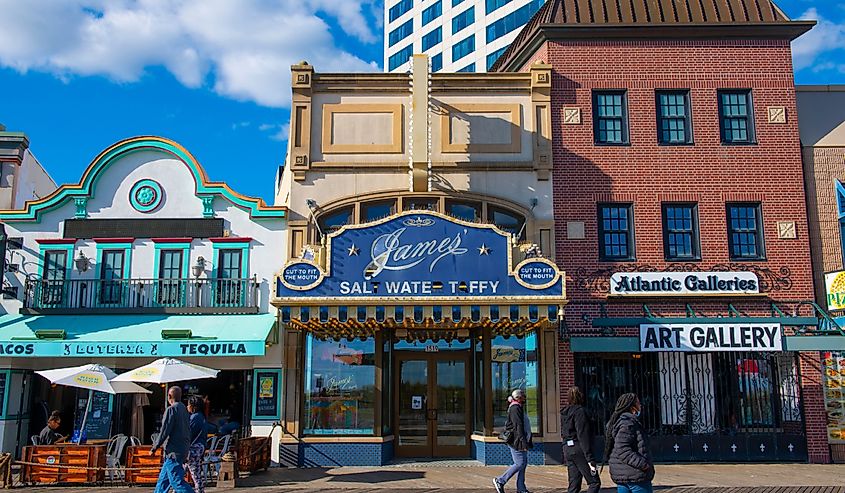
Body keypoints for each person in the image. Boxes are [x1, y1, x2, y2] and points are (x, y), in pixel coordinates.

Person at [604, 393, 654, 493]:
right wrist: (643, 464)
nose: (641, 406)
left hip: (624, 475)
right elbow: (623, 449)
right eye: (638, 403)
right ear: (632, 407)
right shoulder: (627, 423)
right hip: (635, 475)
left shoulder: (621, 422)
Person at [151, 386, 194, 493]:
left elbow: (164, 431)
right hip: (182, 448)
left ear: (169, 396)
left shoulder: (171, 409)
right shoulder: (184, 409)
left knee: (176, 481)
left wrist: (154, 447)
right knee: (163, 481)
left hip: (173, 451)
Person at [493, 389, 533, 493]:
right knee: (519, 463)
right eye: (523, 396)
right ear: (518, 397)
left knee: (523, 463)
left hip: (520, 440)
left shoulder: (518, 407)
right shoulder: (515, 408)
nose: (525, 398)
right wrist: (523, 441)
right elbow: (517, 426)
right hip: (516, 441)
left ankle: (521, 488)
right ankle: (500, 480)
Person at [561, 387, 600, 493]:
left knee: (574, 484)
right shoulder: (580, 412)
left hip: (568, 448)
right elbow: (583, 435)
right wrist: (590, 458)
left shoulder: (565, 413)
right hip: (579, 448)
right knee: (594, 482)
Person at [185, 396, 207, 493]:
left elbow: (189, 433)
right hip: (200, 446)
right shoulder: (201, 416)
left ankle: (199, 491)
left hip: (193, 447)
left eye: (189, 404)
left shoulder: (195, 417)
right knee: (192, 472)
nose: (187, 406)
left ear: (193, 406)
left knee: (194, 473)